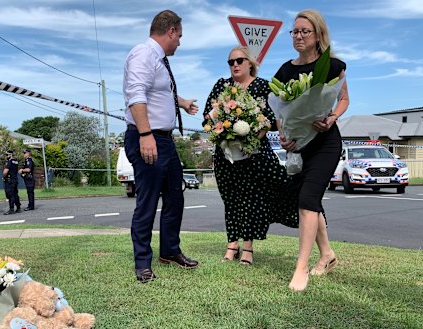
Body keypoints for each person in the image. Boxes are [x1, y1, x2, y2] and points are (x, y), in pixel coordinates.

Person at [273, 9, 350, 291]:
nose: (299, 36)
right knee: (310, 201)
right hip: (300, 146)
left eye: (305, 31)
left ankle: (301, 268)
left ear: (318, 34)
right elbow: (281, 111)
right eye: (295, 31)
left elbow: (343, 100)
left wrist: (330, 119)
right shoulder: (285, 70)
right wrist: (285, 136)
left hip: (326, 143)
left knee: (307, 200)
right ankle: (327, 255)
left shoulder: (332, 66)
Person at [203, 46, 299, 266]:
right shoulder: (222, 85)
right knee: (231, 200)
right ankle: (231, 244)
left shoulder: (262, 86)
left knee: (251, 201)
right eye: (231, 62)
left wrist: (252, 139)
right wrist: (222, 131)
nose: (235, 65)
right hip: (226, 155)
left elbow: (270, 118)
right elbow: (209, 115)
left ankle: (247, 247)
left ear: (250, 63)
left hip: (253, 155)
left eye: (239, 60)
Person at [123, 9, 200, 283]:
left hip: (165, 141)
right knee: (147, 202)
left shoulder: (158, 60)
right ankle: (142, 262)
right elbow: (136, 95)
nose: (179, 41)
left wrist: (182, 102)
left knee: (175, 198)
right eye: (179, 36)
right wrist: (145, 135)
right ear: (170, 31)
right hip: (148, 137)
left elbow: (159, 92)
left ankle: (170, 251)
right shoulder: (143, 54)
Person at [3, 150, 21, 215]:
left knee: (10, 195)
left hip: (9, 180)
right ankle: (18, 207)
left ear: (10, 155)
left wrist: (3, 176)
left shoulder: (10, 162)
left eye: (7, 155)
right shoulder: (16, 161)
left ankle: (11, 209)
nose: (6, 156)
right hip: (15, 180)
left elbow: (5, 172)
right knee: (15, 194)